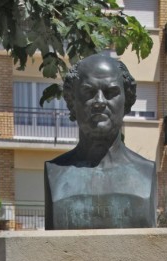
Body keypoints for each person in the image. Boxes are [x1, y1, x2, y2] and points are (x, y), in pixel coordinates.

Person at [44, 53, 157, 230]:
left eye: (110, 93)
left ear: (126, 101)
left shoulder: (145, 173)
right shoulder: (55, 173)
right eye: (89, 92)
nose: (99, 102)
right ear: (72, 102)